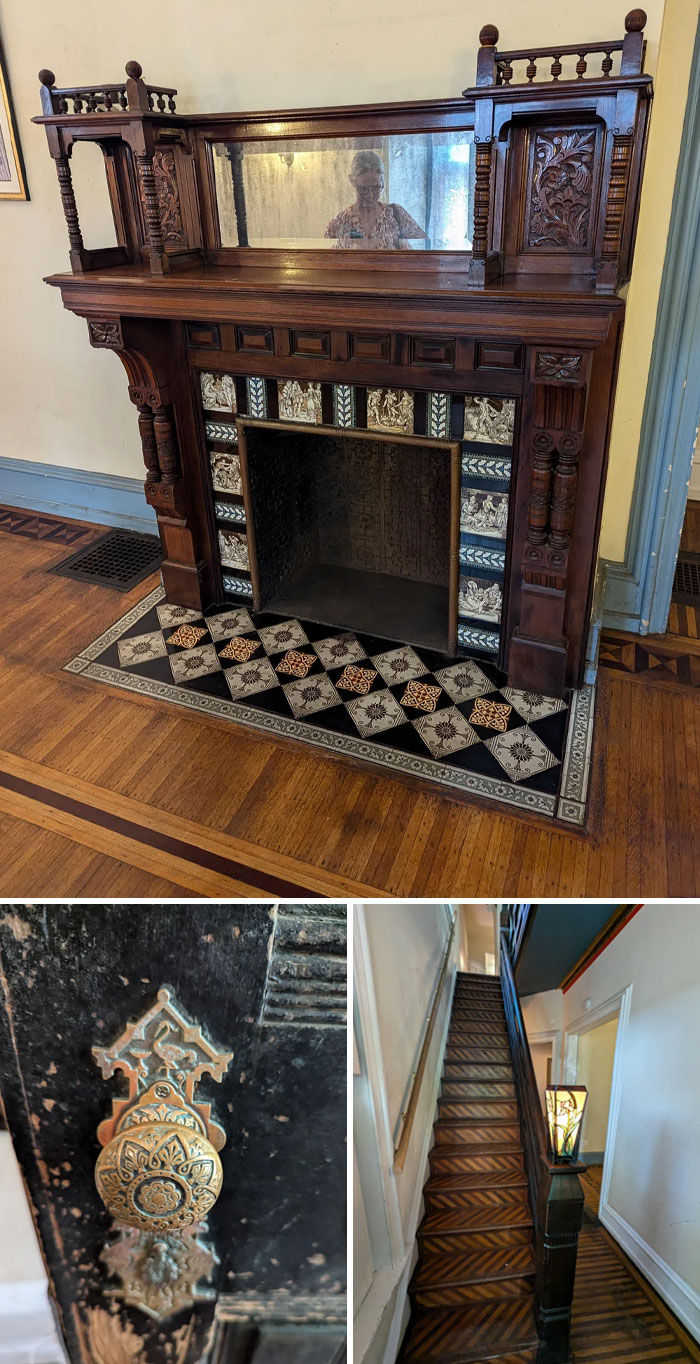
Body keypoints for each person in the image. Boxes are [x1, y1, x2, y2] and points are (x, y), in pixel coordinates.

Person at [325, 150, 426, 250]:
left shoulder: (396, 215)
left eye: (376, 187)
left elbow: (427, 249)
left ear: (382, 180)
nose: (371, 195)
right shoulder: (340, 222)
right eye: (364, 188)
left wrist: (408, 252)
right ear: (352, 181)